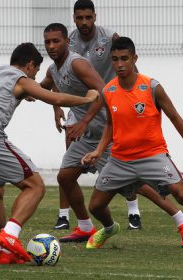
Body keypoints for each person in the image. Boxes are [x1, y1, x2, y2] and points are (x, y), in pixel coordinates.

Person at [0, 43, 99, 265]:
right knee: (35, 186)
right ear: (30, 64)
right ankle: (10, 235)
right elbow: (56, 99)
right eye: (36, 72)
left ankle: (6, 252)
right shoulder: (21, 79)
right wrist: (88, 99)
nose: (35, 77)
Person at [41, 23, 183, 248]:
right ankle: (85, 227)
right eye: (48, 42)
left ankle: (182, 220)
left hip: (104, 133)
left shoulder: (77, 64)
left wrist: (84, 121)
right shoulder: (54, 69)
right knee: (65, 177)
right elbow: (45, 87)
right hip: (86, 137)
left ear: (67, 41)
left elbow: (101, 92)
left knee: (134, 185)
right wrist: (22, 89)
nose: (51, 46)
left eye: (56, 41)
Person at [82, 37, 183, 256]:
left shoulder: (151, 87)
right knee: (95, 206)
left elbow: (175, 118)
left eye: (124, 59)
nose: (119, 64)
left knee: (181, 194)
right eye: (115, 60)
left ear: (134, 59)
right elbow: (111, 125)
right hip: (120, 160)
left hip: (153, 156)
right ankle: (110, 228)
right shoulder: (108, 91)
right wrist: (99, 151)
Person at [52, 0, 141, 231]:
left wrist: (133, 100)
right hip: (82, 109)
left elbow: (129, 69)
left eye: (88, 17)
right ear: (74, 18)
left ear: (95, 16)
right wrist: (57, 106)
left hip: (110, 107)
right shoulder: (67, 42)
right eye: (79, 17)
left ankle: (134, 211)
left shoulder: (109, 37)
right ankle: (65, 216)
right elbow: (55, 74)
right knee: (67, 166)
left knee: (122, 164)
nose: (84, 22)